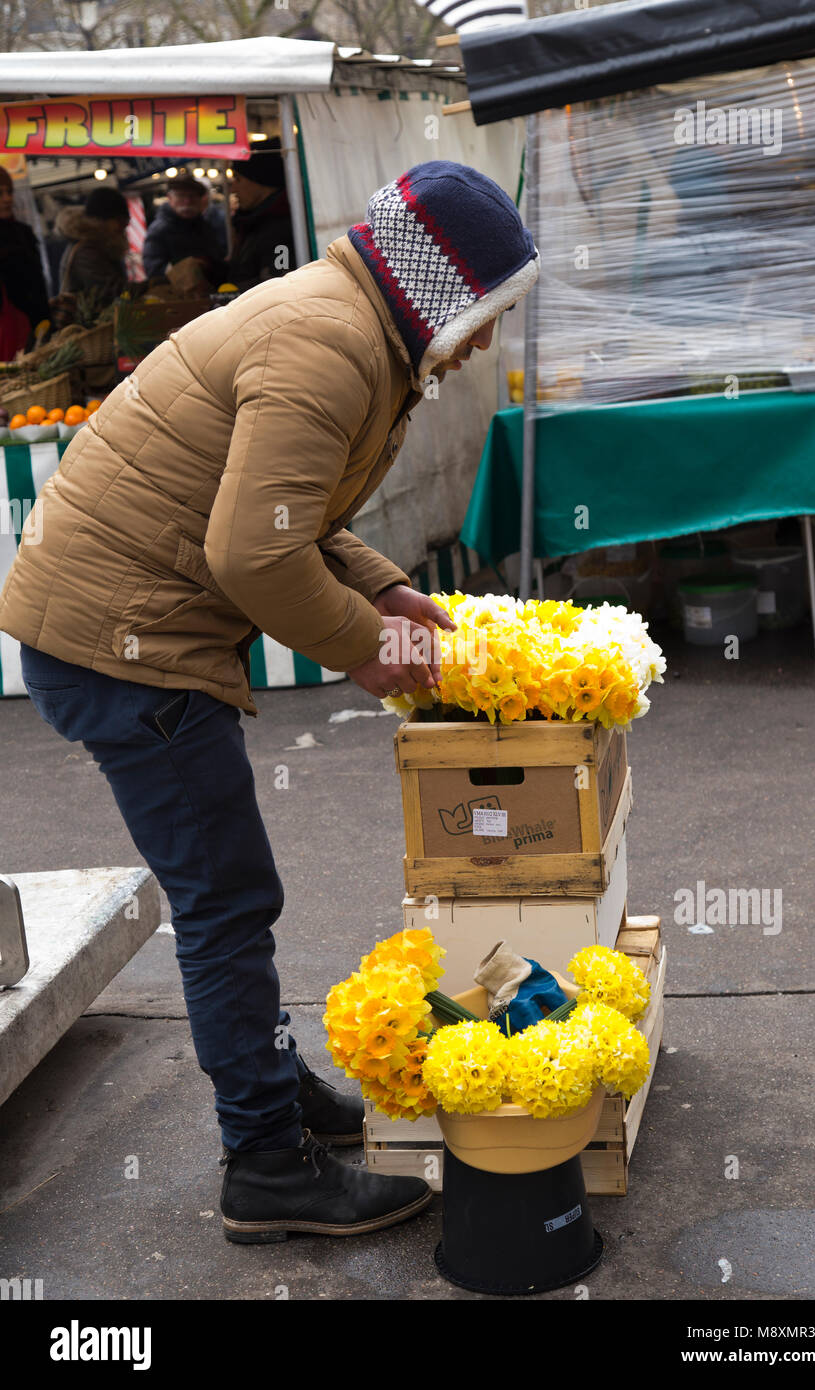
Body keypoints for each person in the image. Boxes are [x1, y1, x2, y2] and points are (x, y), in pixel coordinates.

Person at [0, 161, 539, 1245]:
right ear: (434, 291)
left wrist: (386, 586)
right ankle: (263, 1165)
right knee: (227, 902)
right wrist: (369, 650)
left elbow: (290, 509)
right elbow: (251, 554)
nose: (482, 343)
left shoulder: (345, 322)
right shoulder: (329, 345)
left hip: (117, 622)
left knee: (231, 893)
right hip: (124, 643)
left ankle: (275, 1096)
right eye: (480, 316)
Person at [214, 135, 296, 289]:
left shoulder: (281, 230)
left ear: (261, 180)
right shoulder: (254, 222)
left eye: (238, 179)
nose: (233, 189)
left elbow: (280, 282)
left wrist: (234, 293)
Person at [0, 166, 52, 360]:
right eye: (0, 193)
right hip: (8, 333)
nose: (7, 199)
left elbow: (37, 284)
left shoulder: (23, 233)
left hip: (34, 325)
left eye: (9, 192)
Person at [55, 185, 129, 305]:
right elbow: (108, 290)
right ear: (102, 220)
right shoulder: (86, 251)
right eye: (120, 221)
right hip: (89, 322)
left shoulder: (100, 245)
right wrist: (147, 286)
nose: (124, 227)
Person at [142, 174, 227, 279]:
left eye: (192, 196)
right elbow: (153, 269)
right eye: (181, 195)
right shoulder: (159, 230)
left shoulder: (205, 227)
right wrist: (186, 268)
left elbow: (219, 261)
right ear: (170, 198)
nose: (187, 201)